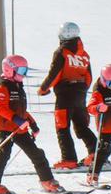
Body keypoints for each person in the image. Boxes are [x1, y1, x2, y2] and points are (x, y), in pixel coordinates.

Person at [0, 55, 64, 194]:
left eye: (25, 70)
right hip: (7, 128)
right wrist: (16, 120)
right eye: (21, 70)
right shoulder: (3, 87)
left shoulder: (19, 88)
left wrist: (33, 125)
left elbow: (22, 111)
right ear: (9, 70)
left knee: (37, 153)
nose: (23, 74)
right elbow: (0, 107)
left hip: (20, 129)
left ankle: (47, 181)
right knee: (4, 155)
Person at [37, 21, 97, 170]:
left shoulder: (61, 52)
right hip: (80, 94)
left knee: (62, 127)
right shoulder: (85, 55)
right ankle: (96, 153)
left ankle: (69, 159)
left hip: (64, 95)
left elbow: (55, 74)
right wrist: (81, 89)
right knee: (81, 126)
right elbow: (89, 76)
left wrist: (44, 89)